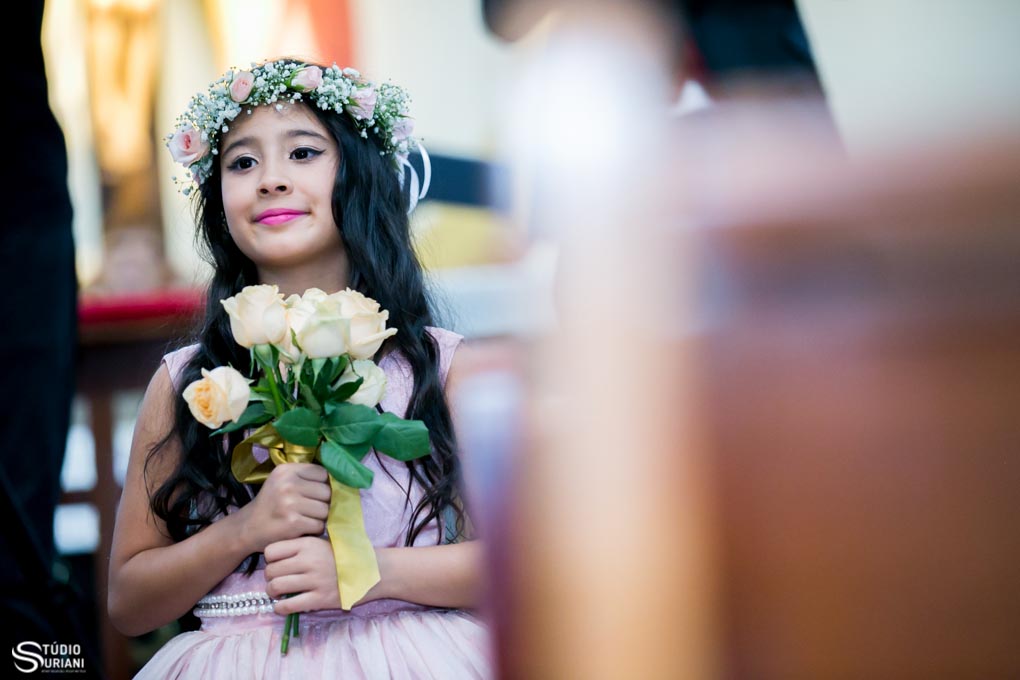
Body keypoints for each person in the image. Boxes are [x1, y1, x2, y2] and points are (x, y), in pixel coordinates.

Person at [107, 59, 490, 678]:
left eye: (304, 153)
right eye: (242, 162)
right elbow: (128, 602)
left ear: (360, 177)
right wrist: (246, 530)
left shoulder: (441, 368)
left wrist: (368, 572)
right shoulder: (187, 382)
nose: (270, 181)